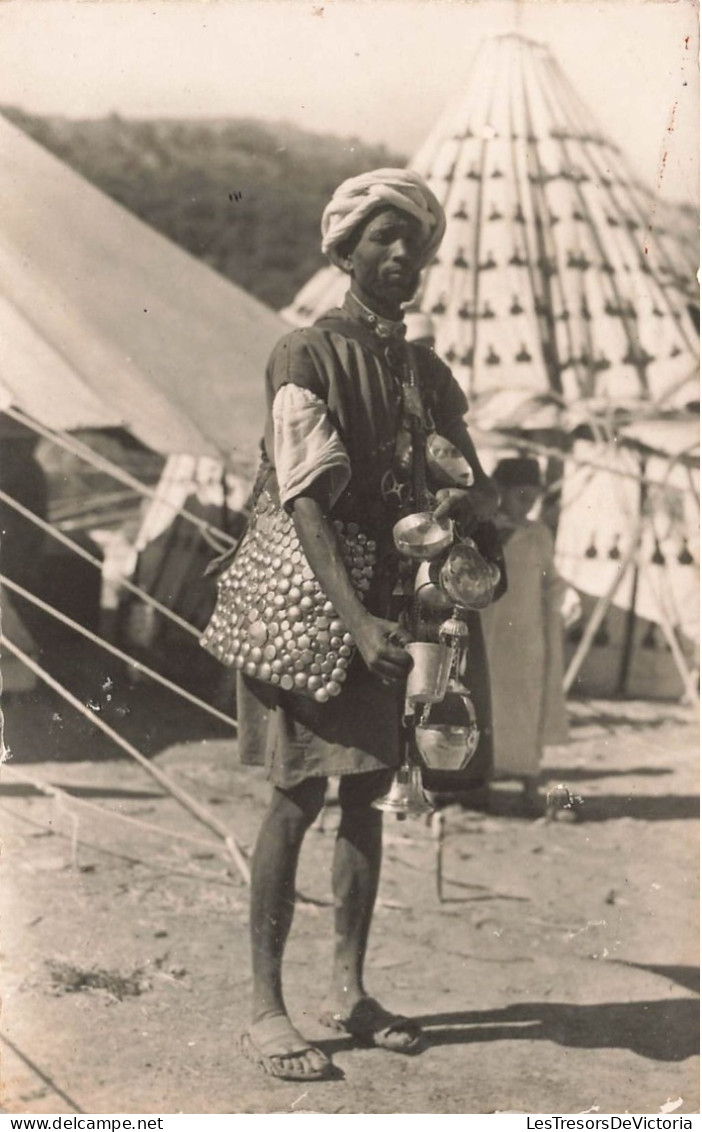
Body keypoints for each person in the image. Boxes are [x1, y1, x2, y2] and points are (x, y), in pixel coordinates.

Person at [233, 169, 498, 1081]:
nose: (401, 256)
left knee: (371, 795)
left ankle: (349, 988)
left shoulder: (424, 370)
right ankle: (267, 1006)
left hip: (401, 602)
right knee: (298, 794)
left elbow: (468, 475)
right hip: (315, 604)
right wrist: (355, 621)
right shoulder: (306, 353)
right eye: (380, 239)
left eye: (413, 243)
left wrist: (474, 527)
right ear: (342, 251)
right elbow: (307, 501)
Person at [479, 457, 569, 814]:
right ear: (499, 492)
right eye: (520, 497)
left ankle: (530, 785)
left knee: (526, 708)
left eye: (533, 498)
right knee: (489, 706)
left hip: (527, 638)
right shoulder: (483, 529)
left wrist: (566, 598)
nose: (527, 505)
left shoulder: (538, 535)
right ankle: (481, 782)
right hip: (489, 633)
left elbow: (552, 582)